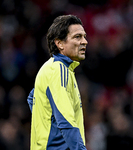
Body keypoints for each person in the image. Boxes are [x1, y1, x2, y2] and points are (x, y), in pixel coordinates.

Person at [27, 15, 88, 150]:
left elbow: (33, 98)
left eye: (84, 36)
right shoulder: (58, 70)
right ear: (59, 43)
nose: (84, 41)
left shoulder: (55, 68)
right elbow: (66, 121)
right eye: (77, 37)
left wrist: (47, 124)